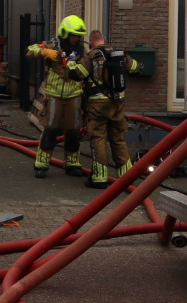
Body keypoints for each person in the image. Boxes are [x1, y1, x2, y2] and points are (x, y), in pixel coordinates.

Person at [27, 15, 89, 177]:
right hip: (54, 95)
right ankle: (41, 164)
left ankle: (72, 163)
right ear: (65, 33)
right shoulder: (53, 45)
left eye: (78, 36)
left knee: (73, 131)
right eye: (73, 35)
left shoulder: (82, 51)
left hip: (74, 95)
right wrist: (44, 51)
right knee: (51, 129)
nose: (76, 39)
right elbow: (30, 51)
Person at [83, 29, 141, 188]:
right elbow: (135, 67)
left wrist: (71, 64)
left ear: (91, 42)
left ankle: (99, 178)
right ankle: (126, 178)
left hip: (98, 104)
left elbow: (78, 73)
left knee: (98, 138)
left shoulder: (91, 56)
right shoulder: (118, 54)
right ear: (104, 39)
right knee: (118, 138)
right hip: (117, 104)